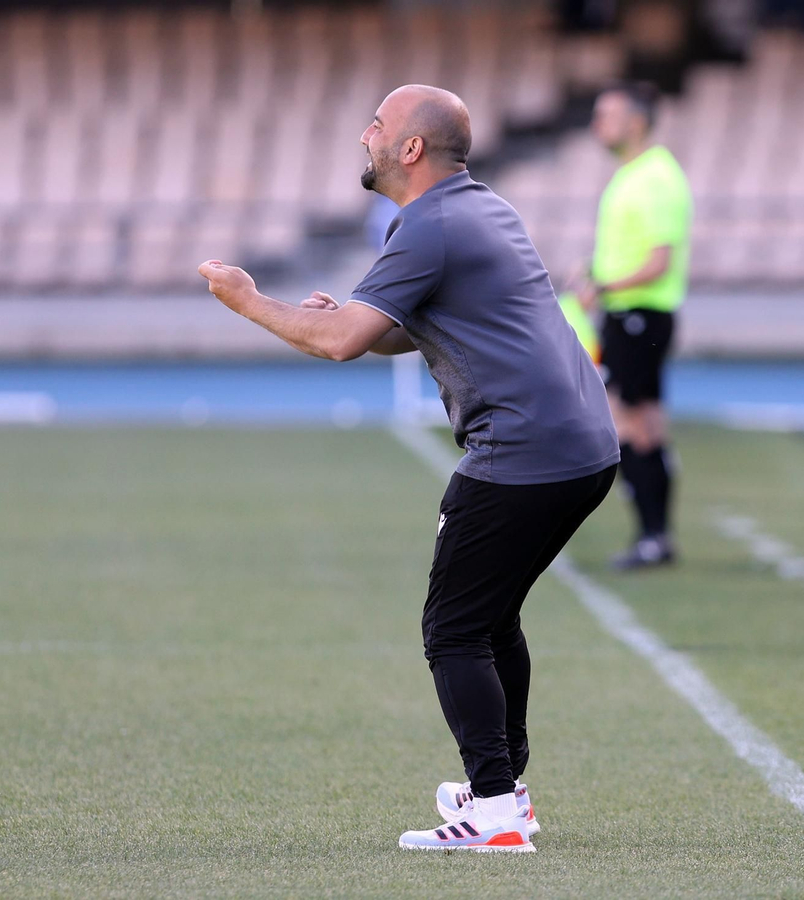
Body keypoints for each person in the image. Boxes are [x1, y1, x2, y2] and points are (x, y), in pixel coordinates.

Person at [198, 85, 619, 853]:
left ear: (412, 149)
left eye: (378, 126)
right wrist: (348, 317)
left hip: (524, 450)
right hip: (583, 447)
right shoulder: (478, 207)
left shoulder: (429, 227)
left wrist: (248, 301)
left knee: (452, 629)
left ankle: (494, 811)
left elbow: (342, 343)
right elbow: (396, 328)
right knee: (489, 619)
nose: (366, 136)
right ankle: (505, 788)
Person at [575, 81, 693, 570]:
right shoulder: (633, 175)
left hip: (641, 314)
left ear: (637, 121)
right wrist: (593, 274)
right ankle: (654, 535)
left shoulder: (656, 177)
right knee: (639, 423)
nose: (597, 123)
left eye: (608, 114)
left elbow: (659, 262)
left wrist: (602, 285)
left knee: (634, 424)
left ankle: (654, 537)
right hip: (628, 315)